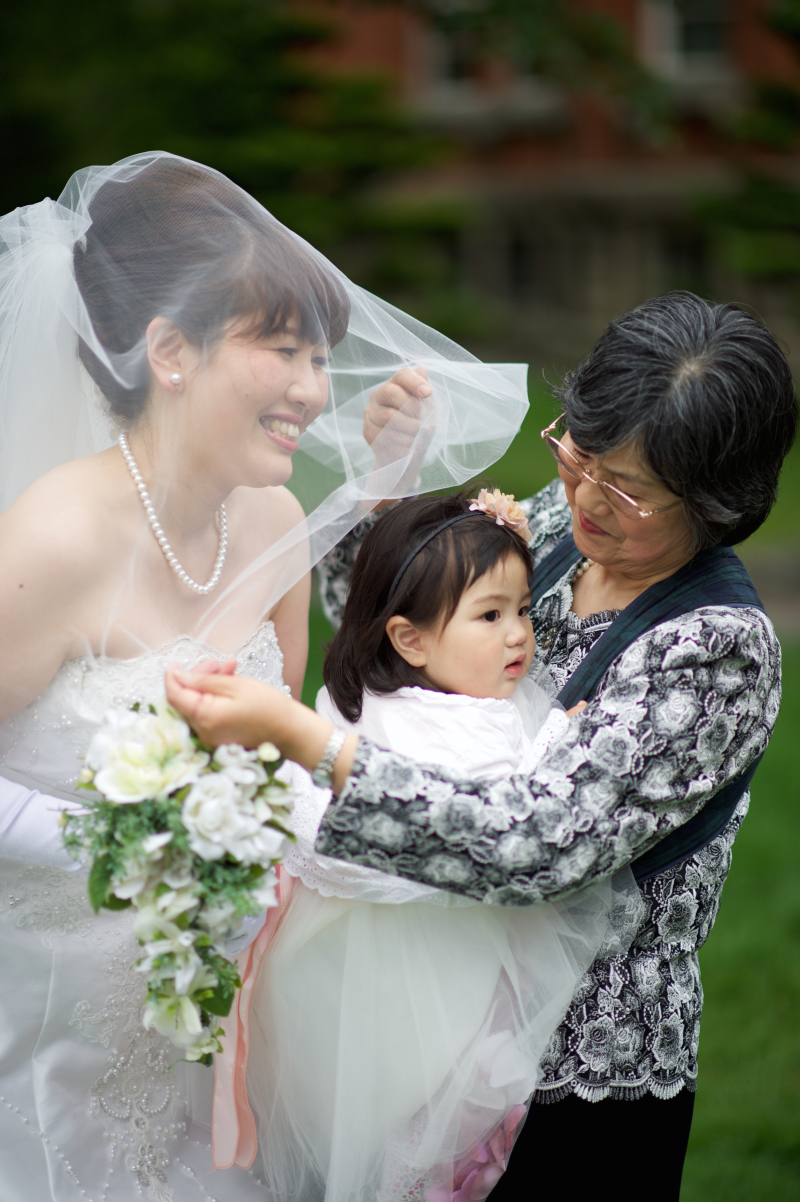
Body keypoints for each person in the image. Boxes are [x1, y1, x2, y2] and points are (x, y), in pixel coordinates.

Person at [165, 292, 797, 1200]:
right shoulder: (554, 531)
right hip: (431, 1041)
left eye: (628, 491)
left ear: (719, 502)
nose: (584, 496)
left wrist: (312, 748)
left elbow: (540, 844)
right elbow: (396, 631)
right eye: (577, 454)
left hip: (577, 1080)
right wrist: (390, 477)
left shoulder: (714, 647)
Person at [0, 150, 529, 1202]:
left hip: (221, 1018)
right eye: (280, 348)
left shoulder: (274, 522)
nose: (310, 388)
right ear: (169, 351)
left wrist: (388, 488)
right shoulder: (50, 540)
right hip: (47, 1019)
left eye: (318, 352)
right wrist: (129, 835)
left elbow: (286, 736)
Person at [210, 488, 636, 1202]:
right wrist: (558, 742)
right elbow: (497, 816)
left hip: (412, 955)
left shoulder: (421, 697)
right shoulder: (433, 724)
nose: (518, 637)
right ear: (410, 639)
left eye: (524, 611)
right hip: (420, 963)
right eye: (491, 616)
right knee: (433, 1103)